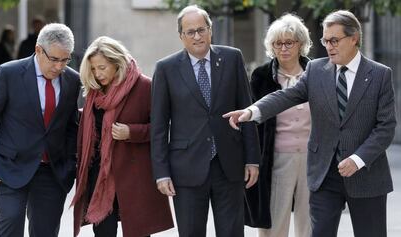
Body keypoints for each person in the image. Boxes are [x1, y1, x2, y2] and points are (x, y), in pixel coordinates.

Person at [223, 10, 396, 237]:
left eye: (334, 40)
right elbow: (286, 96)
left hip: (367, 174)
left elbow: (386, 127)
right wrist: (252, 111)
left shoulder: (379, 74)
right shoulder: (316, 70)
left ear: (354, 38)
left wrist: (358, 159)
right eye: (325, 40)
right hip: (324, 175)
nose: (328, 46)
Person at [151, 5, 260, 237]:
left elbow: (247, 111)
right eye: (190, 32)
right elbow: (159, 127)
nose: (197, 36)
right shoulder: (166, 68)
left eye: (202, 29)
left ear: (211, 30)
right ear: (181, 36)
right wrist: (162, 173)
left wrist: (252, 160)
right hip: (186, 168)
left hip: (229, 165)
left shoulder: (232, 58)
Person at [71, 36, 174, 237]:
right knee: (102, 231)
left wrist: (132, 132)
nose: (97, 74)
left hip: (134, 175)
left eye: (102, 67)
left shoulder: (145, 86)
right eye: (93, 69)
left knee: (138, 232)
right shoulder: (94, 91)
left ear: (117, 63)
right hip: (100, 174)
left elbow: (161, 128)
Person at [0, 23, 80, 237]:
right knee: (10, 226)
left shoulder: (72, 80)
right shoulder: (9, 73)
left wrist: (70, 164)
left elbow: (71, 126)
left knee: (45, 232)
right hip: (10, 167)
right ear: (38, 50)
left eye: (65, 60)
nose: (59, 67)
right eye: (54, 59)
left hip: (52, 172)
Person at [244, 13, 312, 237]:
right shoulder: (262, 76)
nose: (283, 48)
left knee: (310, 222)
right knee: (274, 221)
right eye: (277, 43)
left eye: (289, 42)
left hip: (313, 158)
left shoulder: (317, 72)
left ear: (300, 44)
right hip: (276, 158)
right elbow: (253, 123)